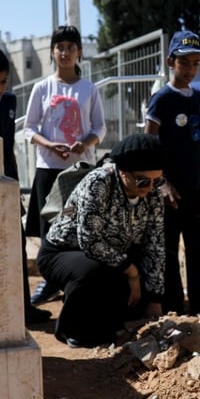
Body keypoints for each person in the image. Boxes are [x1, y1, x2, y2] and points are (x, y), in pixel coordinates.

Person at [37, 133, 166, 348]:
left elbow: (155, 244)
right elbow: (90, 241)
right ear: (123, 172)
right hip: (63, 252)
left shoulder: (153, 193)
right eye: (143, 181)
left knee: (149, 281)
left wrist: (155, 299)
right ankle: (71, 328)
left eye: (157, 181)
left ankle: (111, 326)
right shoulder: (99, 182)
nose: (150, 188)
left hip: (115, 254)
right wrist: (132, 273)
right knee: (94, 272)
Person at [145, 31, 200, 315]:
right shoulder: (161, 99)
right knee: (169, 251)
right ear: (170, 61)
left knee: (197, 250)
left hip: (194, 186)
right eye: (185, 63)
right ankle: (173, 307)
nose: (191, 69)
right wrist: (161, 183)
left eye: (196, 63)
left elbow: (195, 134)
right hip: (168, 190)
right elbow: (149, 145)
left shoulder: (198, 97)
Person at [23, 24, 106, 304]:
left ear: (79, 52)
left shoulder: (88, 89)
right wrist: (49, 145)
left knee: (81, 227)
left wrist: (85, 143)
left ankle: (76, 284)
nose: (65, 52)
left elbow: (100, 127)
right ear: (52, 52)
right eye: (60, 47)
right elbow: (29, 128)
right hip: (49, 169)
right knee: (50, 230)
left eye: (71, 47)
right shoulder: (41, 88)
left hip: (81, 171)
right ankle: (50, 282)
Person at [0, 45, 51, 325]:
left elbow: (10, 151)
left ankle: (24, 309)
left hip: (7, 187)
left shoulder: (9, 102)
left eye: (3, 81)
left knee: (16, 249)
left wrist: (15, 186)